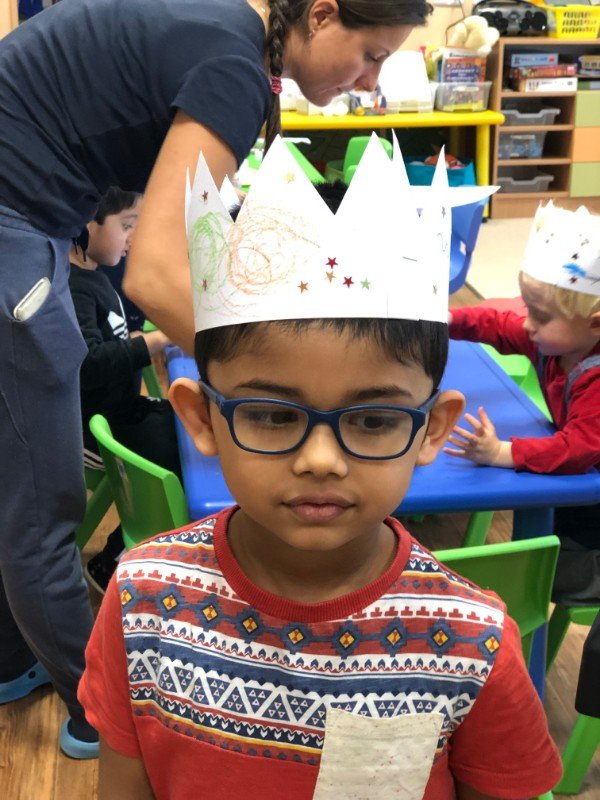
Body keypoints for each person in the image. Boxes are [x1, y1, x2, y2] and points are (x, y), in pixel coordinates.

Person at [0, 0, 429, 757]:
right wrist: (290, 384)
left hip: (34, 216)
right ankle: (98, 713)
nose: (371, 82)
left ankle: (22, 656)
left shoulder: (229, 36)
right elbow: (155, 273)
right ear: (321, 16)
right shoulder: (233, 66)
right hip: (17, 224)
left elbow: (199, 228)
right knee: (42, 513)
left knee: (22, 477)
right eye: (371, 55)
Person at [79, 137, 562, 799]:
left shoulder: (471, 644)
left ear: (432, 428)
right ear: (200, 417)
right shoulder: (140, 600)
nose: (321, 460)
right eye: (273, 415)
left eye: (374, 420)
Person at [445, 201, 600, 605]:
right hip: (586, 484)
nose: (528, 323)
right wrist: (447, 319)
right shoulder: (557, 343)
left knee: (547, 573)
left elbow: (578, 449)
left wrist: (502, 452)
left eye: (541, 316)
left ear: (596, 323)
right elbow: (498, 325)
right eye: (528, 308)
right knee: (543, 531)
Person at [69, 187, 181, 594]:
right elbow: (89, 363)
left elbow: (109, 340)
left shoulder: (93, 275)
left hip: (118, 410)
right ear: (88, 221)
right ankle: (112, 560)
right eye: (127, 225)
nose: (134, 237)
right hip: (93, 430)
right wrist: (154, 341)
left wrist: (144, 339)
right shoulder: (75, 288)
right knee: (178, 462)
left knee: (185, 427)